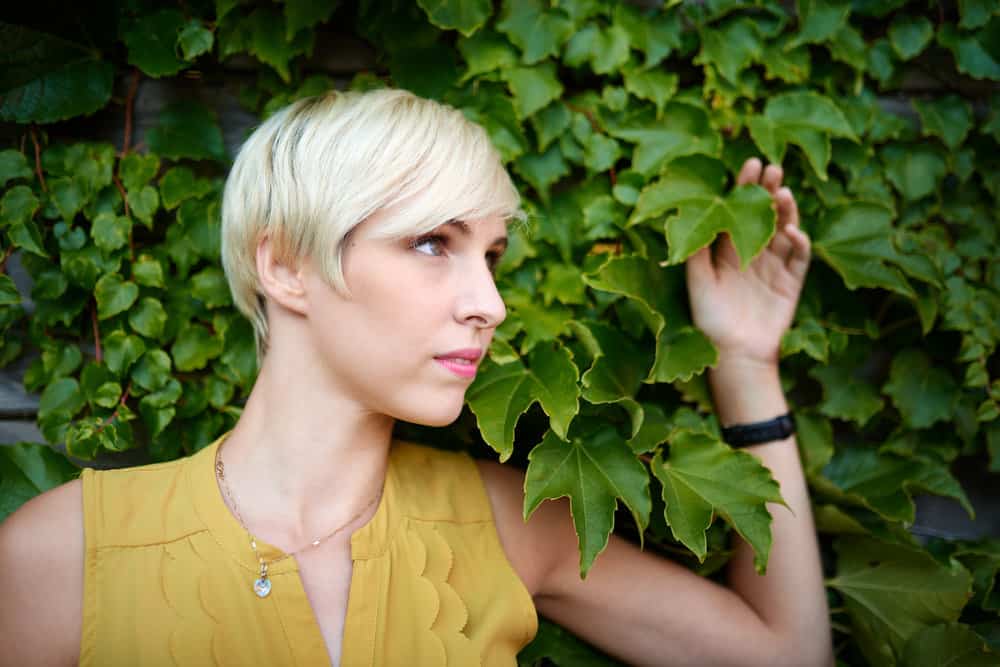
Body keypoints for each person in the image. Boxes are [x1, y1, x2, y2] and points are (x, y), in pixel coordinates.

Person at [0, 88, 832, 666]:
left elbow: (784, 655)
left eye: (493, 255)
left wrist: (746, 361)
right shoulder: (60, 556)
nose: (492, 303)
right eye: (433, 242)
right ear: (286, 266)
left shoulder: (505, 523)